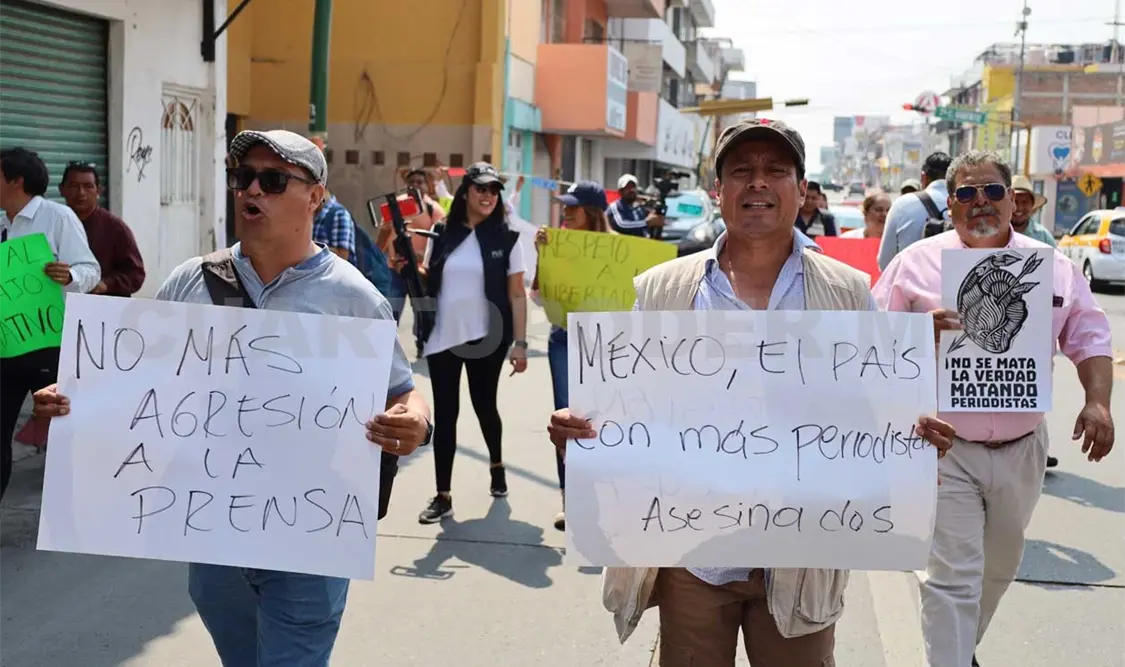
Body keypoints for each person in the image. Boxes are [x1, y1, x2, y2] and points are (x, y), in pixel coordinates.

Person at [547, 118, 957, 667]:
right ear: (719, 191)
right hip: (691, 558)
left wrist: (915, 437)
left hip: (802, 556)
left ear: (802, 188)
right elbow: (629, 411)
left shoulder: (846, 291)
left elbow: (874, 409)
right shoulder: (663, 289)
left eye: (775, 171)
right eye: (741, 171)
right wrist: (582, 430)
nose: (758, 183)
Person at [32, 129, 433, 667]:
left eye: (273, 180)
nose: (252, 192)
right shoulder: (190, 282)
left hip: (309, 545)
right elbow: (139, 378)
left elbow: (404, 393)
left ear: (315, 196)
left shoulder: (352, 296)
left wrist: (414, 423)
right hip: (214, 545)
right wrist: (72, 395)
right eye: (243, 178)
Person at [872, 150, 1114, 667]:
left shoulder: (1053, 269)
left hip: (1022, 450)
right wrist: (916, 334)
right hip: (943, 449)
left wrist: (1098, 402)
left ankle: (959, 645)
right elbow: (867, 344)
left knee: (999, 568)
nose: (979, 202)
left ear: (1012, 202)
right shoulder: (913, 265)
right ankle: (952, 656)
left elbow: (1089, 334)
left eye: (992, 192)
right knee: (953, 578)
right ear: (951, 205)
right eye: (965, 193)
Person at [416, 162, 529, 524]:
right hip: (442, 336)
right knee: (446, 414)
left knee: (485, 407)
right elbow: (426, 276)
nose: (488, 196)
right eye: (481, 189)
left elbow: (517, 294)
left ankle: (496, 465)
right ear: (465, 191)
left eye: (494, 190)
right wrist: (404, 260)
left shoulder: (507, 238)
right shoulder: (441, 232)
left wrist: (521, 343)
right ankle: (442, 494)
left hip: (488, 336)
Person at [0, 147, 100, 511]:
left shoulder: (57, 217)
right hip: (6, 346)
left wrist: (69, 275)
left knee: (62, 429)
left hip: (47, 346)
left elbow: (91, 270)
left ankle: (76, 508)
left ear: (16, 181)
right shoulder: (2, 224)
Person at [532, 181, 613, 531]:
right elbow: (538, 294)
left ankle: (605, 499)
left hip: (607, 343)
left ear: (592, 213)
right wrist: (543, 256)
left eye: (572, 208)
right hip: (564, 338)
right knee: (567, 420)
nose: (565, 213)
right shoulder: (556, 244)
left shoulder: (617, 249)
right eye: (564, 207)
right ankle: (571, 500)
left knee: (605, 420)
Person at [58, 161, 146, 297]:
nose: (81, 193)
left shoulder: (115, 228)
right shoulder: (55, 223)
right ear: (61, 190)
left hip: (103, 310)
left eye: (88, 186)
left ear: (99, 191)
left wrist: (105, 284)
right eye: (74, 186)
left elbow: (136, 274)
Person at [877, 151, 953, 270]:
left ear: (923, 177)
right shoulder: (968, 205)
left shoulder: (902, 204)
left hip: (911, 285)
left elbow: (885, 262)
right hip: (956, 286)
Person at [1010, 175, 1057, 247]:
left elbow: (1057, 257)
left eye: (1025, 202)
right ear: (1006, 204)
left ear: (1032, 205)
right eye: (1015, 201)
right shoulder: (994, 234)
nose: (1019, 208)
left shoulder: (1043, 236)